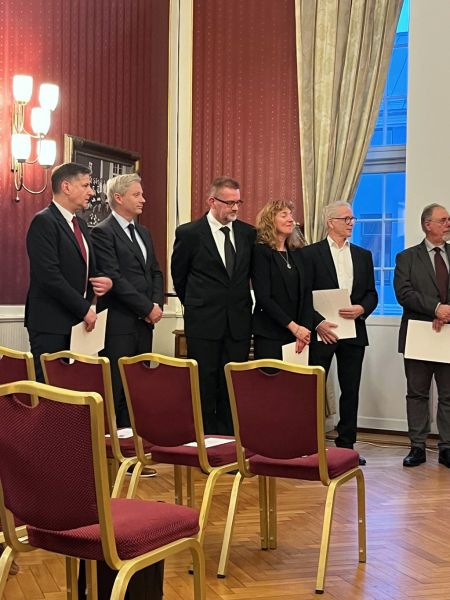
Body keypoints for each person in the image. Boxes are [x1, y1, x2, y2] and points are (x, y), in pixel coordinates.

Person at [171, 176, 256, 435]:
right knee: (204, 383)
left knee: (232, 383)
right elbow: (180, 277)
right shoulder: (189, 233)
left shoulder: (247, 233)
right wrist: (199, 305)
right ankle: (205, 439)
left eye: (238, 202)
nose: (235, 208)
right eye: (229, 202)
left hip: (238, 323)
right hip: (203, 322)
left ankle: (231, 441)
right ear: (212, 201)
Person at [301, 201, 378, 465]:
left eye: (352, 219)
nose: (351, 223)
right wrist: (317, 323)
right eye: (346, 219)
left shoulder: (363, 254)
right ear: (330, 222)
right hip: (322, 331)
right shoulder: (309, 254)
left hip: (354, 331)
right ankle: (311, 445)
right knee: (313, 389)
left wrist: (361, 308)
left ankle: (347, 446)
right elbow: (302, 297)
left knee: (351, 389)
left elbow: (372, 294)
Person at [25, 162, 112, 382]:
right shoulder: (43, 221)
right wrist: (84, 308)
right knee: (51, 393)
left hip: (77, 325)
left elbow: (88, 267)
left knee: (74, 390)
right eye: (85, 185)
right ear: (66, 187)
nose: (92, 192)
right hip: (50, 324)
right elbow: (49, 277)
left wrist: (103, 281)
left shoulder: (81, 225)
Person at [91, 173, 164, 429]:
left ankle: (136, 452)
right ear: (119, 198)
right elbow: (114, 277)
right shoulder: (103, 232)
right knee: (117, 389)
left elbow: (155, 271)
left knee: (139, 389)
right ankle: (115, 452)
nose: (143, 199)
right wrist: (146, 308)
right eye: (137, 194)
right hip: (119, 324)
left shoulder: (143, 232)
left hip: (145, 324)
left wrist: (157, 305)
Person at [394, 203, 450, 468]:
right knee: (417, 393)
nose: (448, 223)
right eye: (443, 219)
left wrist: (446, 313)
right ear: (428, 224)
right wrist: (436, 309)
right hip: (418, 334)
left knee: (448, 394)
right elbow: (404, 294)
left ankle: (447, 447)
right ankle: (417, 447)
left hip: (447, 333)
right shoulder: (407, 258)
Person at [252, 200, 312, 360]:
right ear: (270, 220)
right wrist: (294, 327)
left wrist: (303, 330)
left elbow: (306, 294)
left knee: (294, 384)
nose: (291, 219)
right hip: (269, 334)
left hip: (299, 335)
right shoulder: (261, 252)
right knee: (271, 384)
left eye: (291, 215)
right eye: (284, 215)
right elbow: (264, 298)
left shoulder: (297, 253)